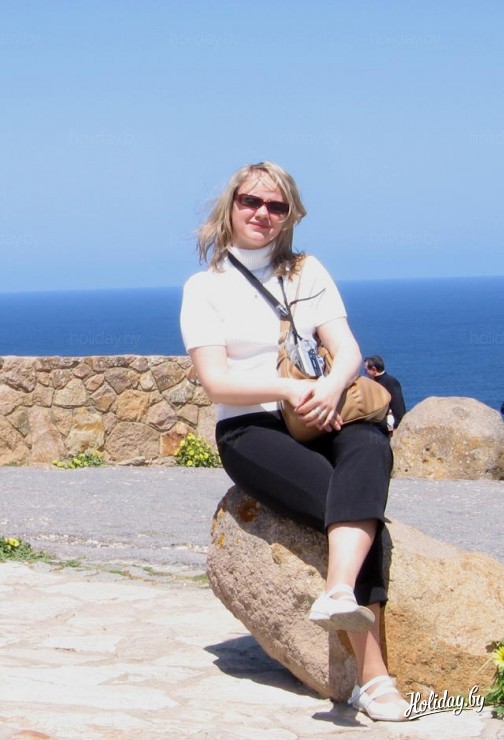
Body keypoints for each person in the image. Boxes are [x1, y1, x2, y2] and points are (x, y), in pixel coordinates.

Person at [180, 161, 410, 722]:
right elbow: (217, 382)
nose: (262, 213)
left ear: (290, 216)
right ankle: (373, 679)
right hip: (252, 426)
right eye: (251, 201)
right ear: (230, 206)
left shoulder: (307, 272)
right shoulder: (204, 288)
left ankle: (338, 591)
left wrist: (329, 389)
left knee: (370, 450)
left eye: (276, 205)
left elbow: (347, 349)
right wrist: (287, 387)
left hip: (324, 409)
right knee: (349, 507)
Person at [364, 356, 406, 433]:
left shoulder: (391, 382)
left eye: (366, 370)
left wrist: (395, 427)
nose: (365, 373)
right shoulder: (373, 383)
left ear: (373, 370)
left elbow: (399, 410)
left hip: (387, 426)